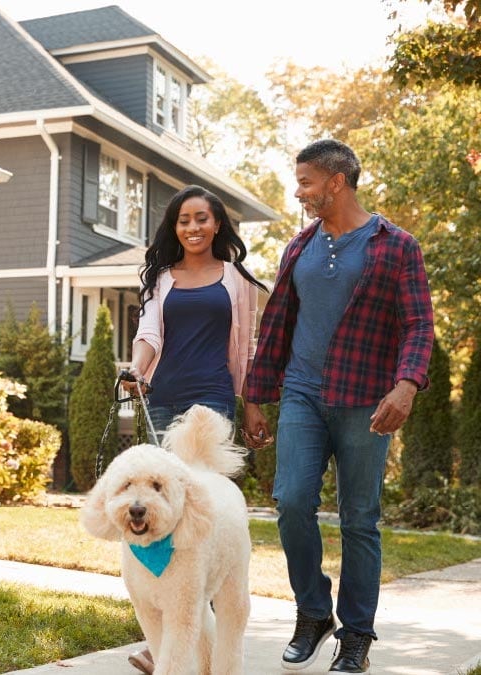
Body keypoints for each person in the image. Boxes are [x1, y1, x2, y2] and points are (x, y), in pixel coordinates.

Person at [243, 139, 434, 674]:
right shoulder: (299, 246)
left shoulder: (396, 245)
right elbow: (277, 324)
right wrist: (255, 394)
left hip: (367, 400)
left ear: (336, 182)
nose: (298, 191)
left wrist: (407, 384)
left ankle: (356, 636)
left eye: (305, 181)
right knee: (292, 502)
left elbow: (419, 323)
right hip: (303, 393)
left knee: (359, 520)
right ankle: (312, 613)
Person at [123, 184, 268, 675]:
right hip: (163, 397)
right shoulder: (162, 279)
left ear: (218, 223)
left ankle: (192, 643)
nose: (193, 227)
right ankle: (169, 640)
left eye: (202, 218)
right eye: (184, 219)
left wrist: (251, 406)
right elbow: (148, 334)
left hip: (212, 400)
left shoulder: (236, 279)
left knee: (201, 516)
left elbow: (246, 349)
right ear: (175, 226)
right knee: (163, 516)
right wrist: (137, 370)